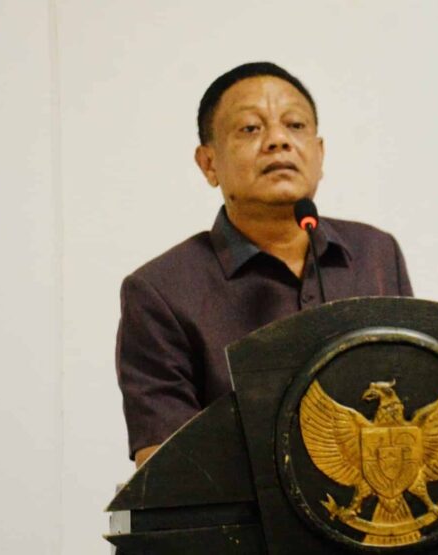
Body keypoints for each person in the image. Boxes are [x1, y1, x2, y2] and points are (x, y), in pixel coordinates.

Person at [116, 62, 413, 467]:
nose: (278, 140)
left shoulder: (375, 254)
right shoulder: (162, 290)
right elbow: (165, 467)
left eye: (295, 125)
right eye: (250, 128)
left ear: (320, 153)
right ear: (208, 164)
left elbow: (414, 390)